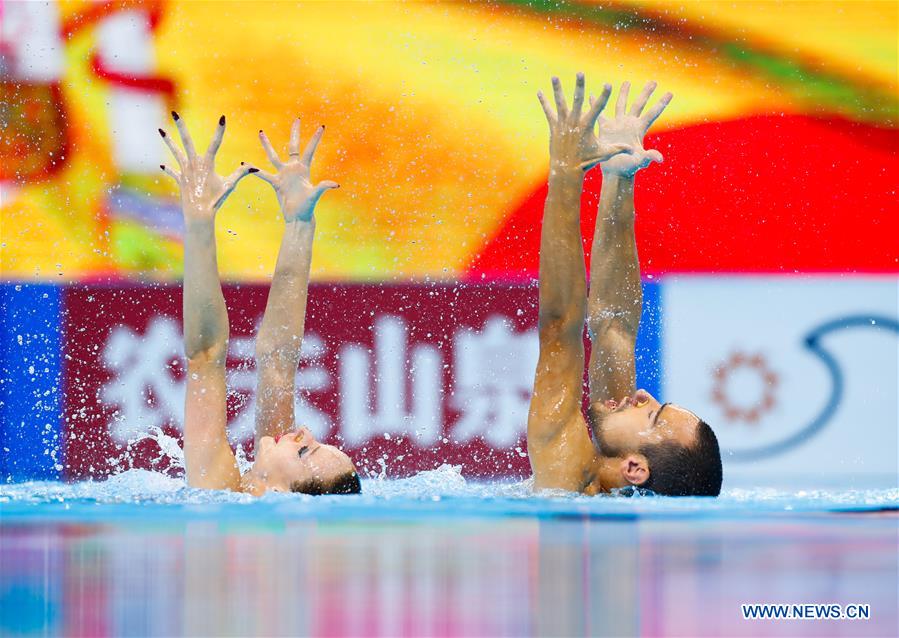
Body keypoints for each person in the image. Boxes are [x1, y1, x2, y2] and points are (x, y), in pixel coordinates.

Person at [527, 74, 722, 496]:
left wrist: (565, 172)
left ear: (635, 467)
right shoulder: (619, 464)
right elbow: (614, 325)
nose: (641, 394)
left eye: (651, 415)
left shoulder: (566, 475)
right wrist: (618, 180)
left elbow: (560, 329)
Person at [159, 113, 361, 495]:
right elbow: (278, 358)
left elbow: (205, 357)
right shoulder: (268, 485)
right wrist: (300, 224)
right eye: (313, 441)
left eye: (305, 452)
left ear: (283, 492)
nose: (303, 432)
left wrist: (198, 222)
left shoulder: (215, 493)